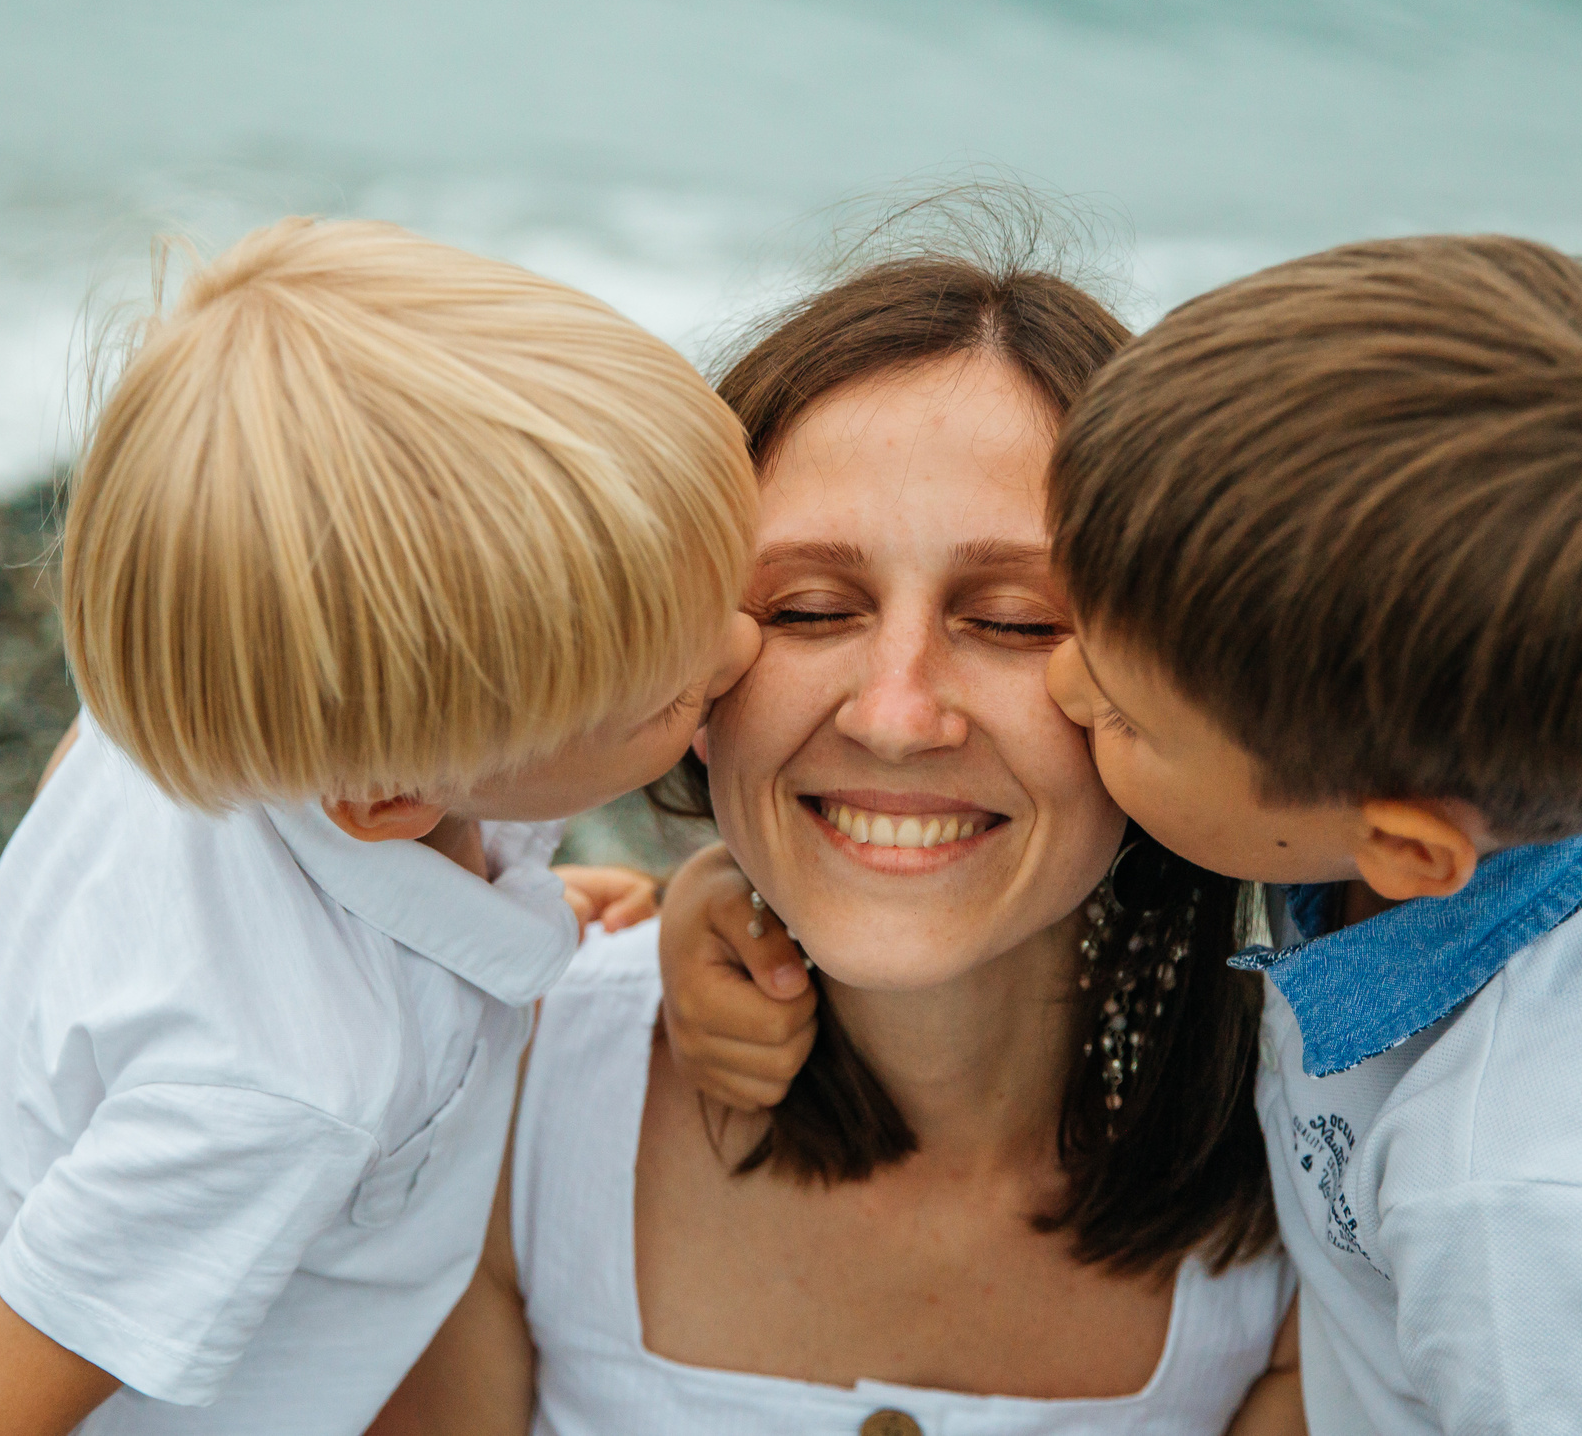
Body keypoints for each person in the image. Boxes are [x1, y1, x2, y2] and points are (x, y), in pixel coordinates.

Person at [670, 235, 1582, 1432]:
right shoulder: (1551, 761)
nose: (1067, 688)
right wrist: (728, 887)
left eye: (1042, 637)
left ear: (1409, 848)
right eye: (807, 608)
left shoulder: (1519, 1193)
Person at [0, 219, 756, 1436]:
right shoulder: (281, 1086)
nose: (740, 650)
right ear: (393, 798)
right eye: (664, 696)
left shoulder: (155, 740)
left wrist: (511, 924)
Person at [376, 244, 1303, 1436]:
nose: (897, 715)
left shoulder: (1324, 1156)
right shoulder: (495, 1091)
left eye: (1015, 622)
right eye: (810, 611)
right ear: (681, 664)